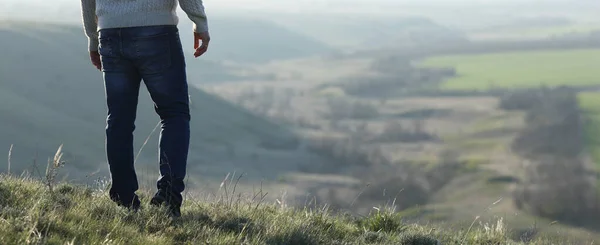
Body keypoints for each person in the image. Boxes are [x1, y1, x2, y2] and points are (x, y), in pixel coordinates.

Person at [79, 0, 210, 217]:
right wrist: (200, 22)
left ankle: (123, 199)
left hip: (110, 31)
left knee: (119, 120)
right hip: (157, 30)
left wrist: (94, 38)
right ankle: (167, 199)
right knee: (174, 114)